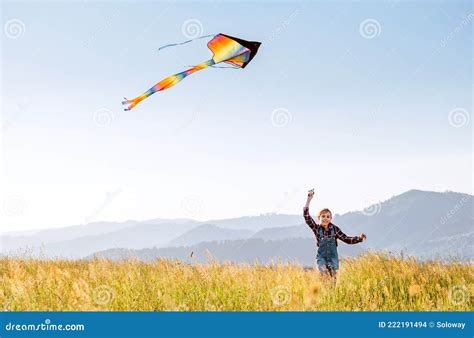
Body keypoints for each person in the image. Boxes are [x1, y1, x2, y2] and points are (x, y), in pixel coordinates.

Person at [304, 189, 366, 280]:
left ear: (331, 218)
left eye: (328, 217)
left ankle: (331, 293)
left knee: (332, 282)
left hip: (333, 260)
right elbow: (307, 217)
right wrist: (308, 200)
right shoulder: (316, 228)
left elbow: (346, 239)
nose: (325, 218)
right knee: (324, 273)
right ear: (319, 218)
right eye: (323, 216)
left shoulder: (335, 229)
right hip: (321, 258)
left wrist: (359, 239)